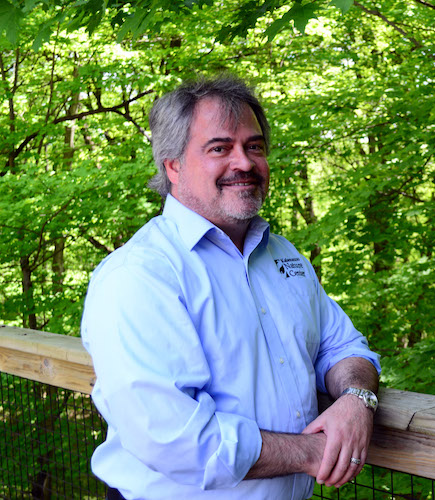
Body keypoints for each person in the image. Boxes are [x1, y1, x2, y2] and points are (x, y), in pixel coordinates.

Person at [81, 75, 381, 500]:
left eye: (254, 146)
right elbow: (171, 437)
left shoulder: (284, 257)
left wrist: (356, 399)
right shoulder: (139, 275)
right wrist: (313, 453)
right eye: (219, 148)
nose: (243, 162)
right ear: (173, 165)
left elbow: (343, 346)